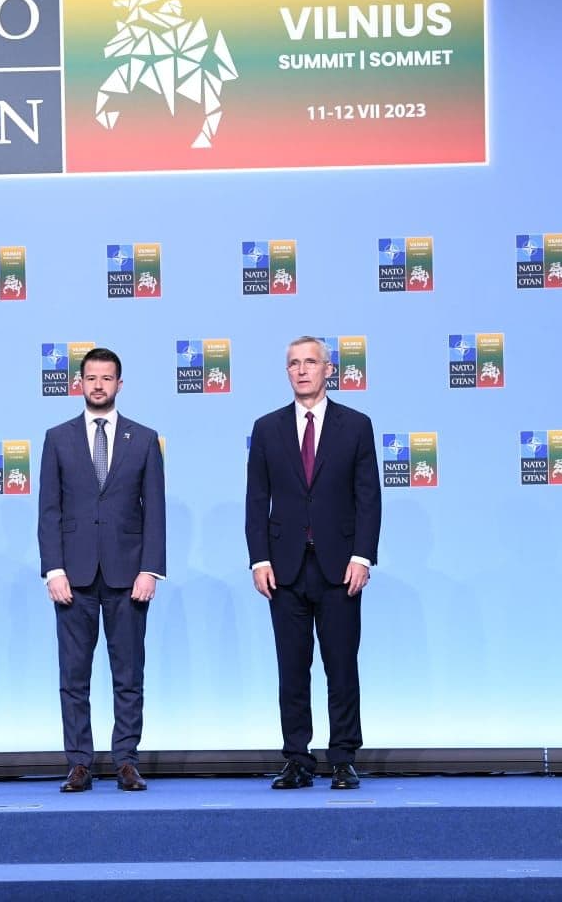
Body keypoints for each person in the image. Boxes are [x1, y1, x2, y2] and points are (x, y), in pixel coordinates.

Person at [245, 335, 381, 790]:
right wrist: (258, 559)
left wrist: (362, 556)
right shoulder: (267, 428)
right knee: (292, 669)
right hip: (284, 568)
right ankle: (297, 759)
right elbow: (256, 500)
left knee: (341, 666)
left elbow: (368, 498)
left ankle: (343, 757)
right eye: (293, 363)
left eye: (310, 362)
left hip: (340, 567)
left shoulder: (356, 425)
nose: (301, 370)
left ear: (328, 370)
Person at [37, 347, 166, 792]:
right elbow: (49, 510)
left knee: (128, 674)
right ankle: (79, 763)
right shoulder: (57, 438)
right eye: (91, 377)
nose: (98, 385)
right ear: (80, 383)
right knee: (73, 677)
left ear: (119, 384)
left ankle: (126, 760)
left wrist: (150, 569)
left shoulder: (143, 439)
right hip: (72, 577)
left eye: (106, 378)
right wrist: (53, 570)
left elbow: (155, 511)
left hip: (128, 576)